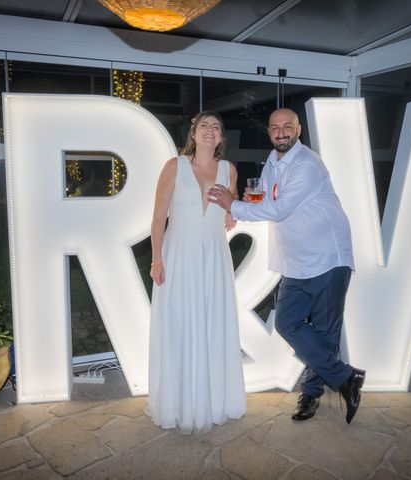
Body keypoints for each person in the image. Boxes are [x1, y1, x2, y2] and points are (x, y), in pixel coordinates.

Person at [208, 108, 365, 424]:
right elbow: (265, 199)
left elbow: (278, 209)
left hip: (327, 259)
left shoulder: (307, 164)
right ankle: (346, 377)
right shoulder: (273, 161)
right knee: (287, 323)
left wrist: (231, 204)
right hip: (294, 261)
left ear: (299, 129)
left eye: (287, 127)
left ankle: (311, 394)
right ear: (269, 132)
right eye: (275, 127)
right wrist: (240, 209)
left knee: (325, 332)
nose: (281, 132)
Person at [146, 111, 246, 434]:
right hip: (179, 255)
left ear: (221, 137)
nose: (210, 130)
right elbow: (159, 216)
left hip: (214, 256)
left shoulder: (228, 170)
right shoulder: (174, 166)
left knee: (212, 324)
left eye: (216, 127)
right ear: (194, 132)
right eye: (204, 125)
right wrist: (156, 259)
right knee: (180, 325)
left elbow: (233, 204)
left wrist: (233, 213)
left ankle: (214, 400)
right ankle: (179, 403)